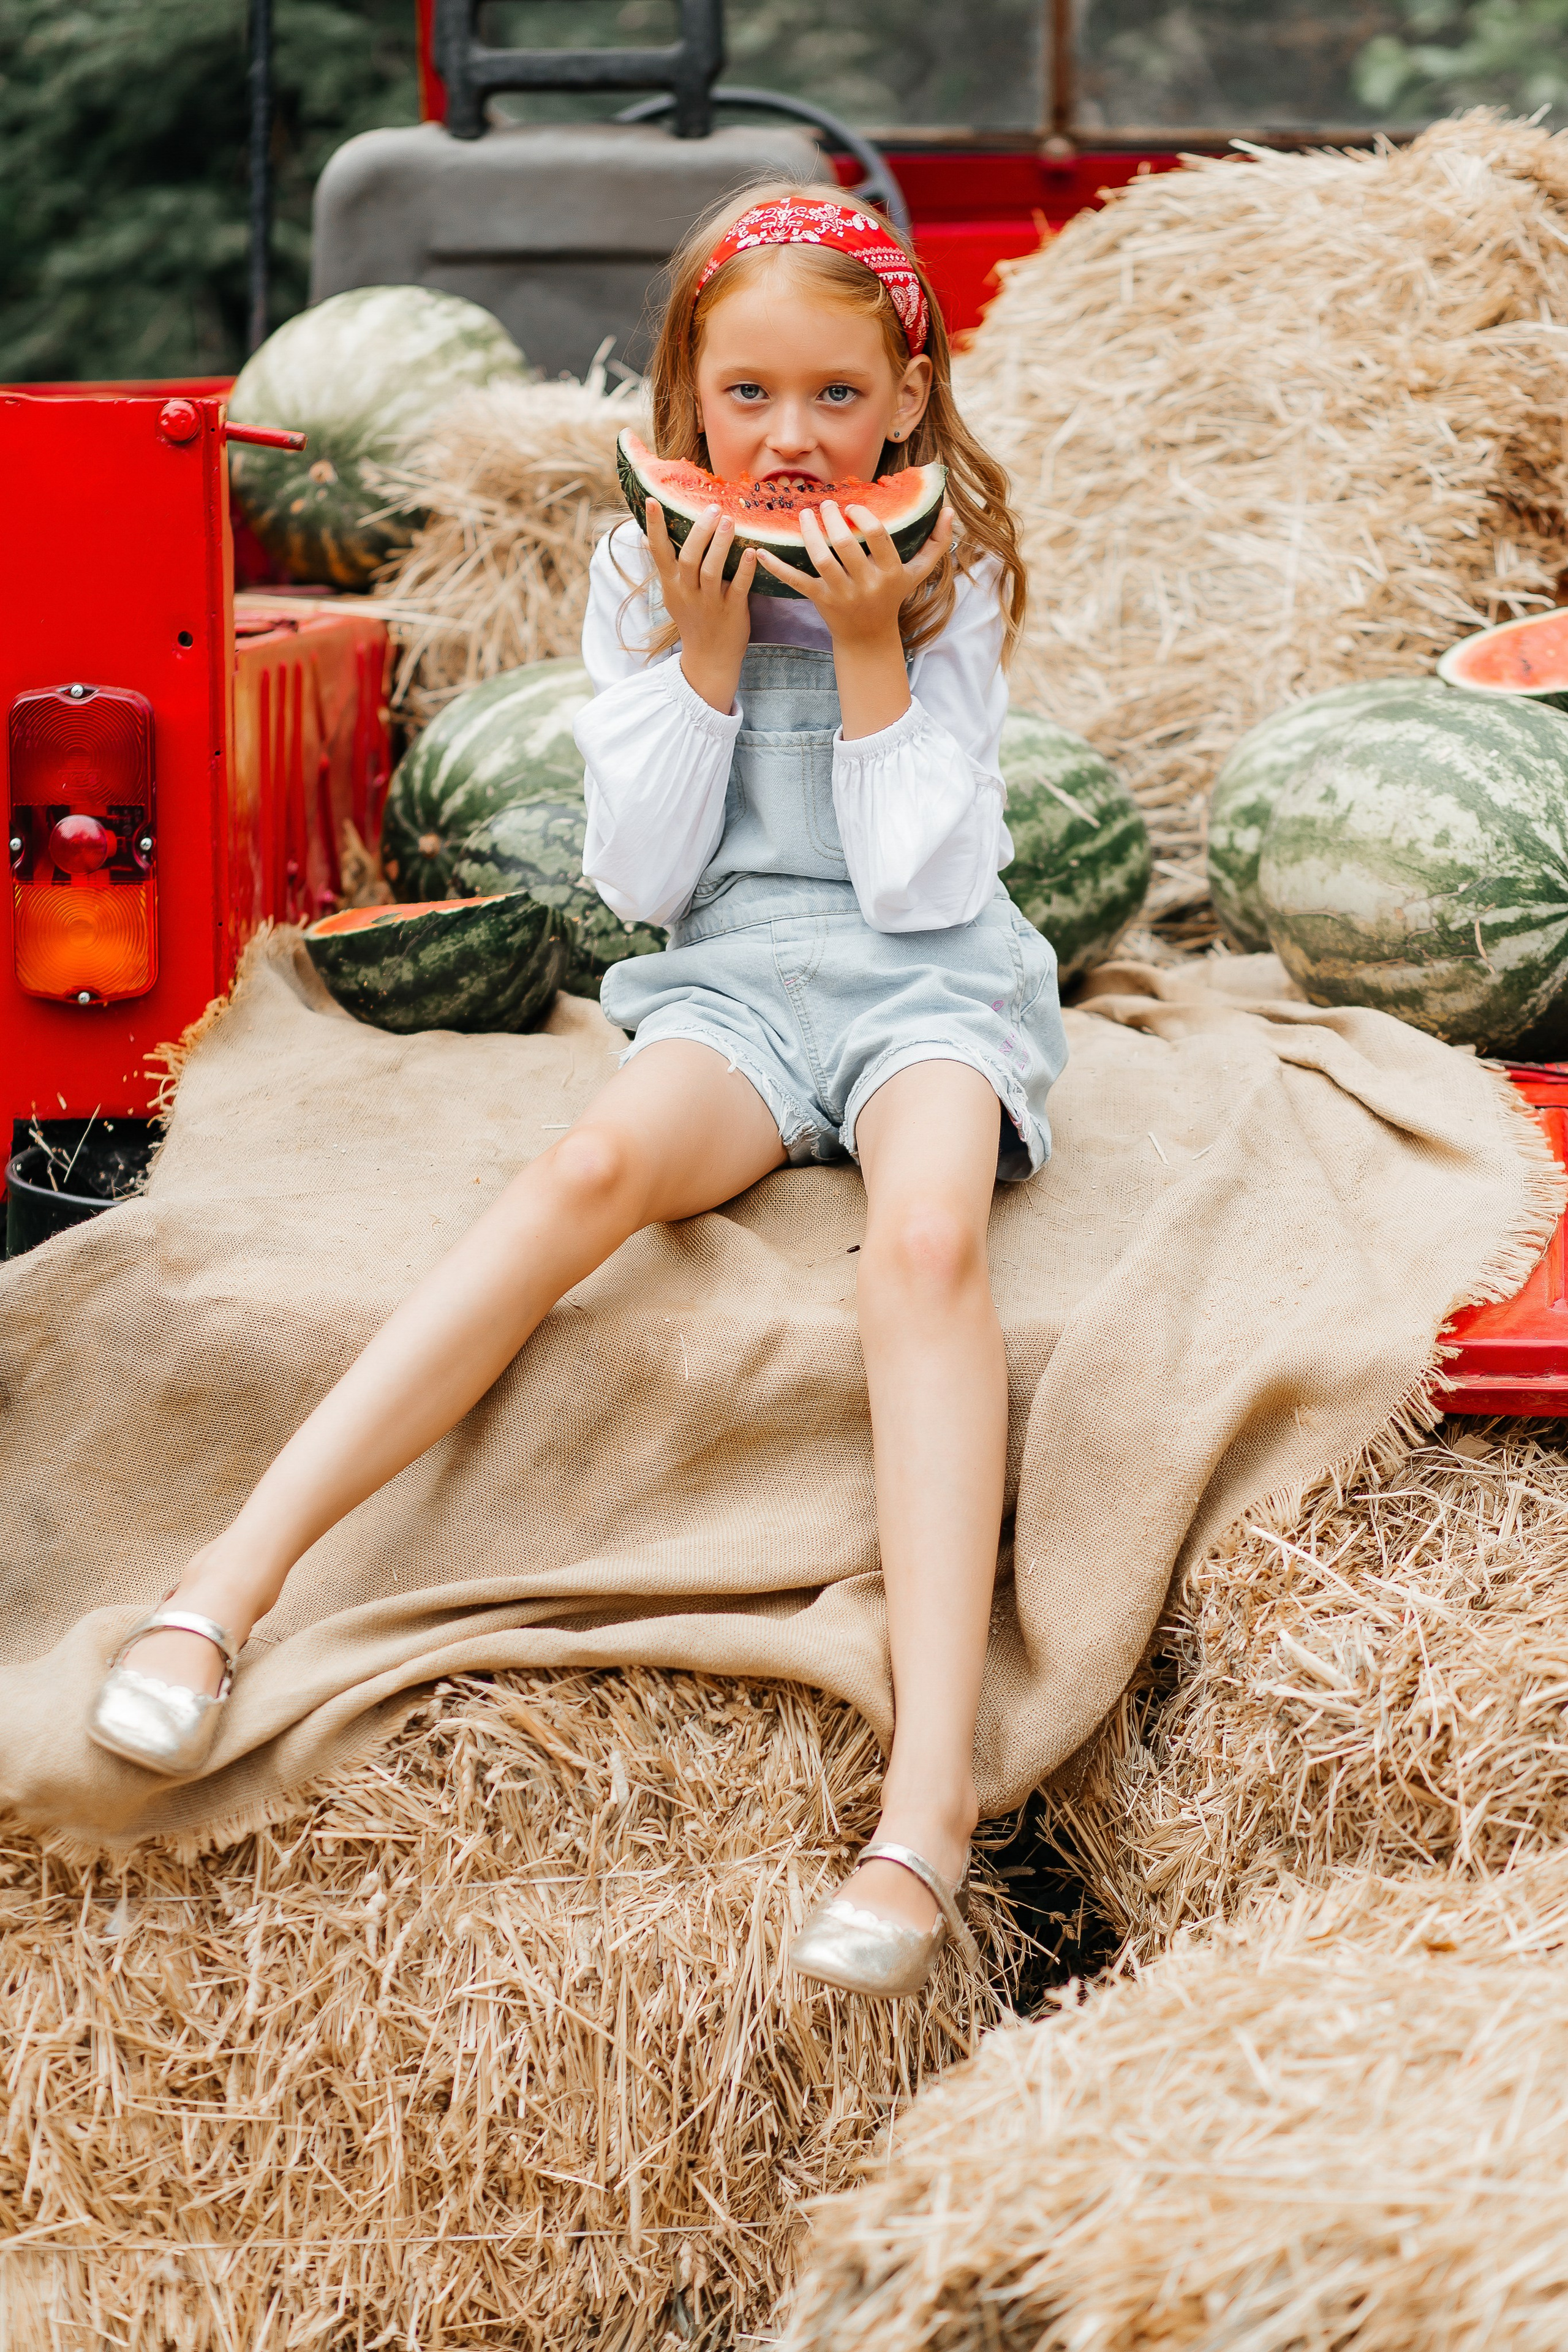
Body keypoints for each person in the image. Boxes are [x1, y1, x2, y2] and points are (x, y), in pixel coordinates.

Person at [89, 185, 1067, 2002]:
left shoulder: (953, 573)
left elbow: (931, 882)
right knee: (584, 1166)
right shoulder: (644, 567)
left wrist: (866, 653)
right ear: (687, 398)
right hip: (736, 981)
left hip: (927, 981)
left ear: (910, 401)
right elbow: (634, 877)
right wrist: (701, 659)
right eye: (750, 397)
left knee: (924, 1246)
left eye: (838, 401)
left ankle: (924, 1807)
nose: (791, 445)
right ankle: (220, 1589)